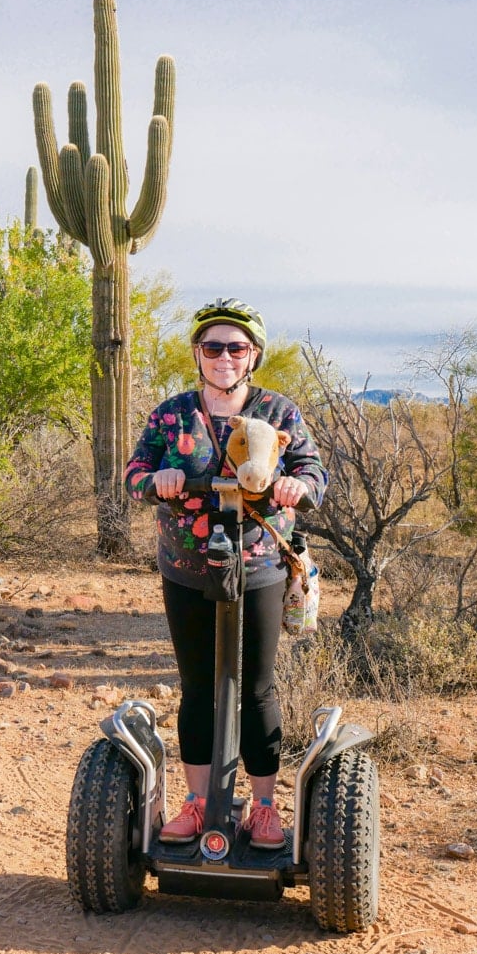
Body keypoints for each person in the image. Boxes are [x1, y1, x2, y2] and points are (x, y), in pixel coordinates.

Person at [125, 298, 328, 849]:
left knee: (257, 688)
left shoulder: (279, 412)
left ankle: (263, 808)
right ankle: (196, 803)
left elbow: (312, 469)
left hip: (259, 562)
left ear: (253, 355)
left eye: (235, 347)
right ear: (197, 353)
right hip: (187, 565)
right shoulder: (172, 414)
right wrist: (158, 480)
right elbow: (134, 472)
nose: (223, 357)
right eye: (212, 347)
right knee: (197, 686)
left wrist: (297, 486)